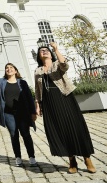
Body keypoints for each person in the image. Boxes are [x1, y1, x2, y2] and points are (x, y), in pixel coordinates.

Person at [34, 42, 96, 174]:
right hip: (49, 103)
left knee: (75, 126)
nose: (44, 51)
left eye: (46, 50)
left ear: (51, 54)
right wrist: (38, 104)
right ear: (39, 56)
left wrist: (56, 49)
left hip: (64, 97)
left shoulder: (57, 64)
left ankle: (87, 158)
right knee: (61, 129)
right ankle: (72, 160)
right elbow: (37, 90)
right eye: (41, 50)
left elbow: (65, 65)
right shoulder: (38, 71)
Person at [0, 63, 37, 166]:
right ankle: (18, 157)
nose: (8, 69)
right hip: (8, 114)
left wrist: (33, 112)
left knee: (26, 134)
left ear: (15, 71)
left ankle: (32, 157)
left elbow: (29, 97)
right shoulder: (2, 82)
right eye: (7, 68)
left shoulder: (22, 82)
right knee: (14, 135)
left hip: (23, 114)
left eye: (11, 68)